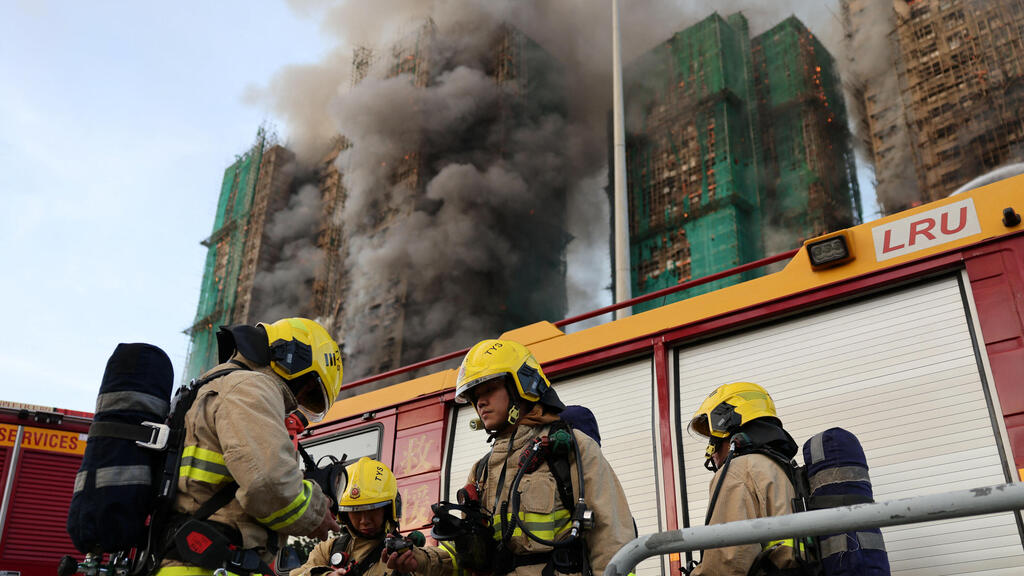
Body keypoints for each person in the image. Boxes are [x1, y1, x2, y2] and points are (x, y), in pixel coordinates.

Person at [384, 339, 634, 576]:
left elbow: (612, 539)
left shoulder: (573, 447)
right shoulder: (481, 472)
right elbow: (470, 560)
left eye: (490, 389)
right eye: (475, 395)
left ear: (521, 386)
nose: (481, 402)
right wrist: (420, 559)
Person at [157, 317, 344, 576]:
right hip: (209, 565)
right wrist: (316, 512)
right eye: (309, 389)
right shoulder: (250, 387)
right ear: (293, 358)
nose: (298, 401)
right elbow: (268, 483)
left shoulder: (216, 385)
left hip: (200, 560)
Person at [685, 382, 800, 576]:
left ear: (725, 422)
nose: (710, 451)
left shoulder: (738, 471)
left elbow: (728, 563)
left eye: (711, 438)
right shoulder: (781, 467)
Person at [291, 457, 403, 576]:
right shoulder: (328, 550)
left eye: (372, 510)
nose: (364, 521)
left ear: (388, 510)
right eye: (356, 512)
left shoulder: (407, 555)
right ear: (345, 515)